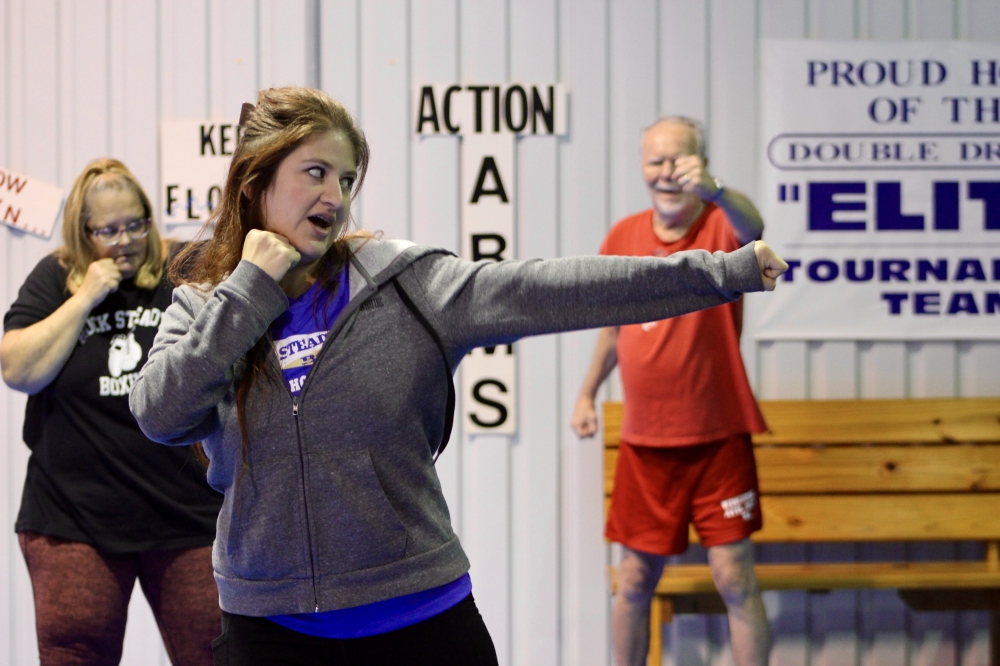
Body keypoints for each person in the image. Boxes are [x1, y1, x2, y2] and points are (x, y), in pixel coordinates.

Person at [128, 87, 787, 666]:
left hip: (417, 619)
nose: (335, 196)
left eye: (348, 178)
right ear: (255, 182)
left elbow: (555, 289)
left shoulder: (408, 287)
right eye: (315, 172)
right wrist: (249, 288)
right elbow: (160, 414)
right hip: (270, 629)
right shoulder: (205, 305)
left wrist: (723, 271)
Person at [0, 159, 223, 665]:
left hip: (186, 513)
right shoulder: (58, 277)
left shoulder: (181, 267)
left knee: (216, 655)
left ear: (149, 216)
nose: (125, 240)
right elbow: (17, 369)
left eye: (135, 224)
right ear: (83, 232)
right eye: (108, 230)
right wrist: (86, 296)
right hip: (74, 518)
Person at [570, 116, 772, 666]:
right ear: (642, 168)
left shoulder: (721, 225)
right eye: (655, 161)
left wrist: (719, 191)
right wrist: (587, 393)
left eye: (678, 160)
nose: (666, 172)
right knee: (634, 579)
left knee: (734, 577)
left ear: (700, 162)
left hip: (718, 438)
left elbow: (755, 230)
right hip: (646, 443)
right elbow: (611, 330)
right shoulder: (623, 237)